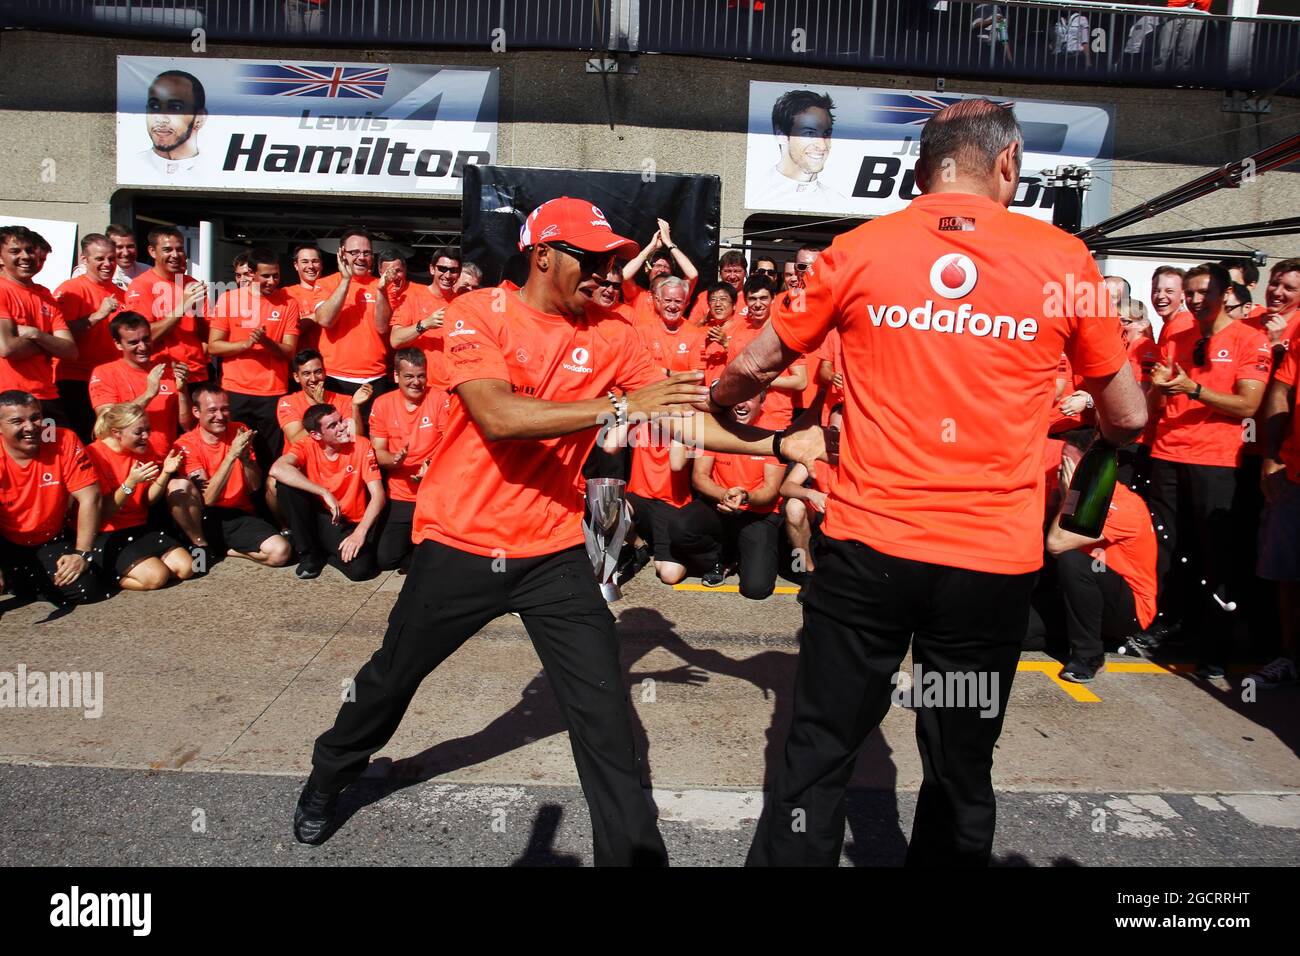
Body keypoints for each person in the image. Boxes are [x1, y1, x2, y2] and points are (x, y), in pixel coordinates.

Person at [291, 196, 823, 860]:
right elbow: (500, 417)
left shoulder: (615, 333)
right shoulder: (476, 313)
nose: (608, 270)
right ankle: (330, 772)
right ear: (542, 255)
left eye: (613, 258)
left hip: (553, 552)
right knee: (390, 680)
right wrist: (623, 405)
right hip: (461, 541)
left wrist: (777, 446)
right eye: (592, 257)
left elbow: (680, 414)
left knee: (605, 720)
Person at [718, 99, 1145, 866]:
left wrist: (717, 402)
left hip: (868, 557)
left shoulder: (858, 249)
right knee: (958, 766)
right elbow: (1128, 415)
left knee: (818, 755)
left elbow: (754, 364)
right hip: (987, 569)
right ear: (1007, 161)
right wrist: (1107, 436)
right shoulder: (1065, 263)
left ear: (924, 165)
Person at [1145, 263, 1270, 678]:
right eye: (1191, 293)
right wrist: (1158, 390)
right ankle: (1171, 628)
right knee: (1169, 551)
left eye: (1204, 292)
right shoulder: (1175, 337)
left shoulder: (1249, 339)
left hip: (1217, 462)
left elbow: (1248, 406)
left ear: (1224, 293)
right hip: (1166, 455)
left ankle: (1216, 647)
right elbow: (1158, 403)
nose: (1196, 300)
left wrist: (1192, 389)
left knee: (1218, 557)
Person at [1042, 436, 1157, 683]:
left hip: (1129, 608)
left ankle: (1089, 656)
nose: (1064, 473)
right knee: (1023, 632)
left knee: (1071, 560)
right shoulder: (1073, 487)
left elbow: (1055, 544)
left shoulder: (1122, 505)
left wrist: (1066, 499)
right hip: (1084, 598)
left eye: (1071, 467)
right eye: (1063, 465)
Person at [0, 390, 106, 606]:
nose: (30, 427)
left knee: (86, 591)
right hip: (5, 539)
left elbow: (90, 497)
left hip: (48, 536)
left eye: (35, 417)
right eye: (17, 421)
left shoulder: (64, 439)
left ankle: (26, 583)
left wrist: (82, 554)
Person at [172, 383, 291, 568]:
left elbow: (255, 486)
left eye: (225, 409)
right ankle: (200, 547)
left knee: (280, 553)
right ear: (196, 412)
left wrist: (245, 460)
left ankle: (224, 549)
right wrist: (232, 455)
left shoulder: (239, 429)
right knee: (178, 487)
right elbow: (208, 498)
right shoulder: (185, 444)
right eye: (212, 410)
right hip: (202, 518)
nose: (220, 416)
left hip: (238, 513)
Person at [85, 403, 194, 590]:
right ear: (116, 432)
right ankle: (105, 576)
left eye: (147, 430)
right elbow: (104, 512)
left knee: (186, 568)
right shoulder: (95, 455)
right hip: (107, 532)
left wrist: (166, 473)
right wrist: (129, 484)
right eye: (138, 432)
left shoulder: (144, 449)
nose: (146, 437)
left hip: (138, 526)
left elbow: (149, 500)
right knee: (157, 578)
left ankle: (138, 564)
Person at [270, 402, 384, 581]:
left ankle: (322, 550)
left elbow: (378, 495)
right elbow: (277, 469)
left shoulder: (361, 445)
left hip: (347, 521)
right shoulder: (306, 445)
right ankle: (308, 553)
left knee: (361, 570)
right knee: (285, 486)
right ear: (316, 435)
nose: (343, 427)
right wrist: (323, 492)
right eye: (333, 425)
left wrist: (359, 533)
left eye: (341, 420)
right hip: (321, 516)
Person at [209, 246, 300, 469]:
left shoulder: (289, 303)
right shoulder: (229, 300)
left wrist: (265, 342)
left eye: (276, 275)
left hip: (272, 393)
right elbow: (214, 346)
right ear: (251, 273)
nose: (272, 281)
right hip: (235, 391)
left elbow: (289, 351)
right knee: (235, 456)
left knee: (270, 457)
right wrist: (245, 344)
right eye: (266, 275)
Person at [368, 348, 446, 572]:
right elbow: (378, 452)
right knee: (385, 560)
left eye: (421, 375)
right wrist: (394, 460)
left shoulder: (440, 398)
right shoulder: (382, 404)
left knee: (441, 556)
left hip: (433, 491)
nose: (416, 382)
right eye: (409, 376)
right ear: (396, 377)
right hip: (400, 493)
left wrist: (430, 464)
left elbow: (450, 442)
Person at [1255, 329, 1300, 688]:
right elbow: (1282, 390)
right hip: (1294, 472)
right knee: (1286, 572)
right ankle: (1288, 656)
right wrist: (1271, 454)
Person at [0, 225, 77, 427]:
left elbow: (70, 351)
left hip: (46, 396)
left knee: (57, 454)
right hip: (8, 399)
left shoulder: (45, 295)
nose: (26, 256)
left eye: (30, 250)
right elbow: (7, 348)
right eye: (15, 251)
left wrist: (36, 334)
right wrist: (50, 345)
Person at [89, 312, 191, 460]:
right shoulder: (104, 373)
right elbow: (106, 421)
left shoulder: (166, 372)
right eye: (133, 342)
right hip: (125, 464)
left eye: (146, 339)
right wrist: (149, 394)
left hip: (163, 462)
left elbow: (186, 424)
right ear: (118, 344)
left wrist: (182, 391)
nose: (142, 347)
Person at [311, 227, 389, 419]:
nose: (361, 257)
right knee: (339, 440)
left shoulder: (381, 284)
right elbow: (325, 320)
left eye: (366, 252)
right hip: (336, 378)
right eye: (354, 252)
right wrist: (345, 281)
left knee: (372, 443)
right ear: (341, 254)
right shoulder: (326, 284)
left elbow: (382, 327)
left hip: (375, 378)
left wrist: (382, 292)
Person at [54, 234, 126, 442]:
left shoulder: (121, 293)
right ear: (84, 260)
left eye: (111, 259)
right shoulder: (71, 289)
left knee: (109, 440)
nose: (107, 264)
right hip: (76, 379)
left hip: (110, 380)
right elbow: (58, 333)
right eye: (100, 259)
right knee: (83, 439)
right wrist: (96, 316)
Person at [124, 226, 209, 385]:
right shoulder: (142, 286)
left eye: (180, 249)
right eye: (167, 250)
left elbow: (206, 337)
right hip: (162, 375)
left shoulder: (191, 283)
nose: (175, 255)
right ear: (152, 251)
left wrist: (196, 311)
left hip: (196, 374)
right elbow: (140, 337)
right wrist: (181, 307)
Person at [727, 275, 806, 428]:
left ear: (773, 299)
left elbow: (800, 381)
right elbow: (732, 376)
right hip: (742, 416)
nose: (757, 304)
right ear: (745, 301)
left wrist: (762, 380)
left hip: (775, 416)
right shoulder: (738, 333)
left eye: (763, 298)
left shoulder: (785, 332)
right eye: (752, 299)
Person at [752, 89, 845, 211]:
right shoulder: (754, 191)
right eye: (810, 133)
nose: (822, 146)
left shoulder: (838, 203)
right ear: (781, 135)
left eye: (826, 134)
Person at [780, 404, 843, 578]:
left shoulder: (863, 457)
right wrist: (811, 494)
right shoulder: (817, 451)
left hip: (848, 519)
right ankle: (803, 570)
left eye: (844, 430)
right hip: (820, 511)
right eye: (833, 429)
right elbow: (786, 487)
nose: (837, 435)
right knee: (793, 507)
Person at [383, 252, 448, 391]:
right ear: (380, 272)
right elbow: (395, 339)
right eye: (389, 272)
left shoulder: (414, 293)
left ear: (406, 270)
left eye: (398, 271)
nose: (394, 276)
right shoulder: (376, 290)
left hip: (434, 378)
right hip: (391, 371)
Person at [276, 349, 364, 450]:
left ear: (325, 373)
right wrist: (320, 410)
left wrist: (355, 406)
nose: (313, 379)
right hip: (303, 461)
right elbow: (296, 441)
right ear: (296, 377)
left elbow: (355, 437)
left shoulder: (345, 401)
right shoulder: (288, 402)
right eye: (306, 374)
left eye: (318, 372)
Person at [621, 220, 698, 328]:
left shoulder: (677, 294)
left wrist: (669, 243)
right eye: (657, 266)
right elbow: (624, 276)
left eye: (666, 267)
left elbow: (693, 274)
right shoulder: (638, 295)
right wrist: (652, 246)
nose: (662, 270)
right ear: (647, 269)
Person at [138, 70, 207, 177]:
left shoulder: (213, 172)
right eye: (154, 106)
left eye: (175, 108)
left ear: (199, 118)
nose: (160, 119)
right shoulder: (131, 167)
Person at [71, 224, 150, 290]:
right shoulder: (85, 272)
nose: (126, 253)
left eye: (130, 246)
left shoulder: (148, 271)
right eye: (119, 247)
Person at [284, 244, 330, 353]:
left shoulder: (335, 291)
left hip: (332, 363)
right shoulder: (286, 294)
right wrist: (321, 314)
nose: (311, 266)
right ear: (296, 265)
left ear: (321, 264)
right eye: (305, 262)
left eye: (315, 261)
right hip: (301, 363)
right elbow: (286, 332)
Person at [1154, 0, 1210, 73]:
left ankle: (1179, 80)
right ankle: (1156, 79)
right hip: (1174, 9)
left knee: (1186, 53)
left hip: (1198, 12)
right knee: (1163, 51)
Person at [1151, 265, 1190, 344]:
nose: (1160, 296)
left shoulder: (1181, 326)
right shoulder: (1171, 323)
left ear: (1183, 294)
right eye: (1156, 291)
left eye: (1169, 291)